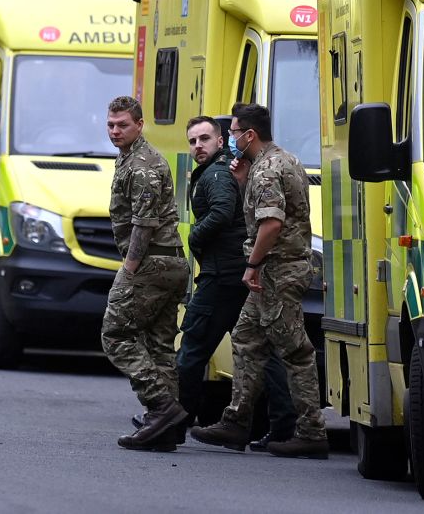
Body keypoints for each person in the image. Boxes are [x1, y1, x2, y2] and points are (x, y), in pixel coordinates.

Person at [190, 103, 328, 459]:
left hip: (277, 271)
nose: (231, 139)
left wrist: (251, 265)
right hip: (277, 269)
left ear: (249, 134)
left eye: (234, 132)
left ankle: (311, 431)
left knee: (295, 351)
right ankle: (236, 421)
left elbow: (271, 224)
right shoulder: (284, 159)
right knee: (247, 338)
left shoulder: (267, 170)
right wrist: (241, 180)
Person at [169, 115, 297, 449]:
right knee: (260, 351)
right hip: (239, 272)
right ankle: (284, 426)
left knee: (192, 348)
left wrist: (195, 237)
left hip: (222, 277)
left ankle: (172, 422)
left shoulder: (215, 174)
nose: (198, 146)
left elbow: (223, 212)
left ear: (221, 138)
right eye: (193, 141)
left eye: (205, 139)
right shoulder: (228, 168)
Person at [102, 95, 190, 452]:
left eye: (122, 124)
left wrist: (130, 269)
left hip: (151, 263)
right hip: (166, 263)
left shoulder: (143, 164)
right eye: (110, 124)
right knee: (158, 347)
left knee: (115, 335)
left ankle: (161, 406)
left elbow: (143, 224)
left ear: (139, 124)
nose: (114, 131)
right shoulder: (129, 158)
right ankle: (165, 430)